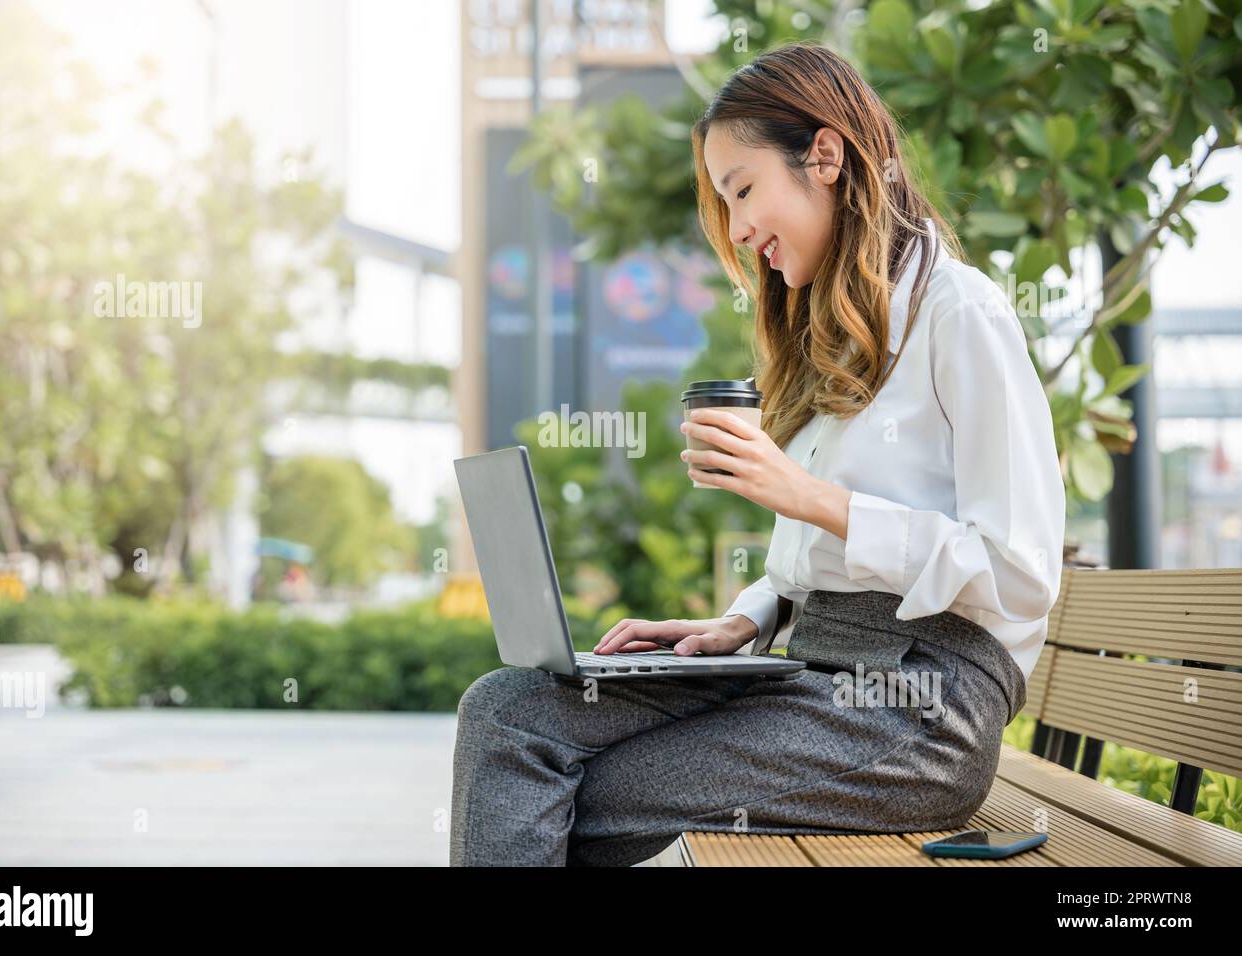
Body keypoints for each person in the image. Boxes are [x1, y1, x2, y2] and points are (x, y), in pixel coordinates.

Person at [450, 41, 1066, 867]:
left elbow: (1023, 570)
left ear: (824, 156)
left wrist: (809, 496)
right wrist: (747, 619)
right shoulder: (833, 334)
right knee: (508, 712)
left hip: (920, 707)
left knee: (551, 789)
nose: (738, 232)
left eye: (743, 191)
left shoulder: (962, 313)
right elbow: (822, 568)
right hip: (814, 666)